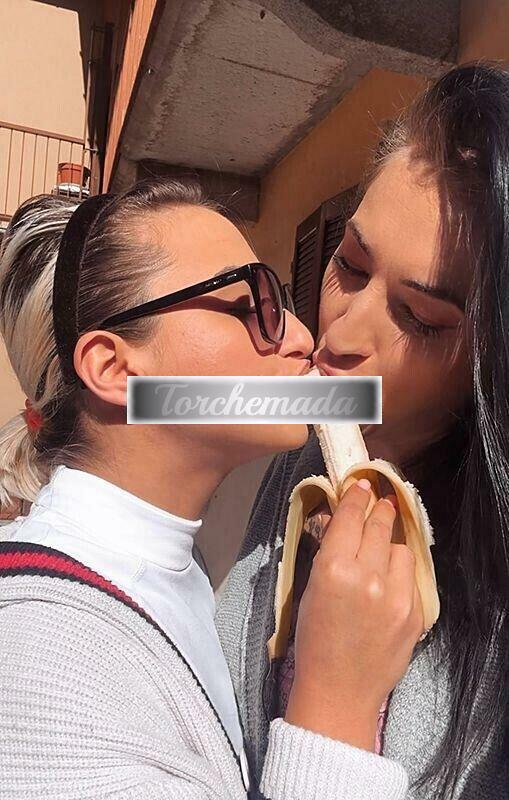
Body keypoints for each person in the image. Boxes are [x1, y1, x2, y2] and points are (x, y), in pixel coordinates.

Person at [0, 179, 420, 798]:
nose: (303, 338)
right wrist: (337, 702)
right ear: (115, 368)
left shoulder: (170, 569)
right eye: (253, 305)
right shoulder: (38, 666)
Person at [217, 61, 509, 800]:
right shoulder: (302, 461)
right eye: (348, 265)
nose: (341, 335)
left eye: (421, 317)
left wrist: (336, 711)